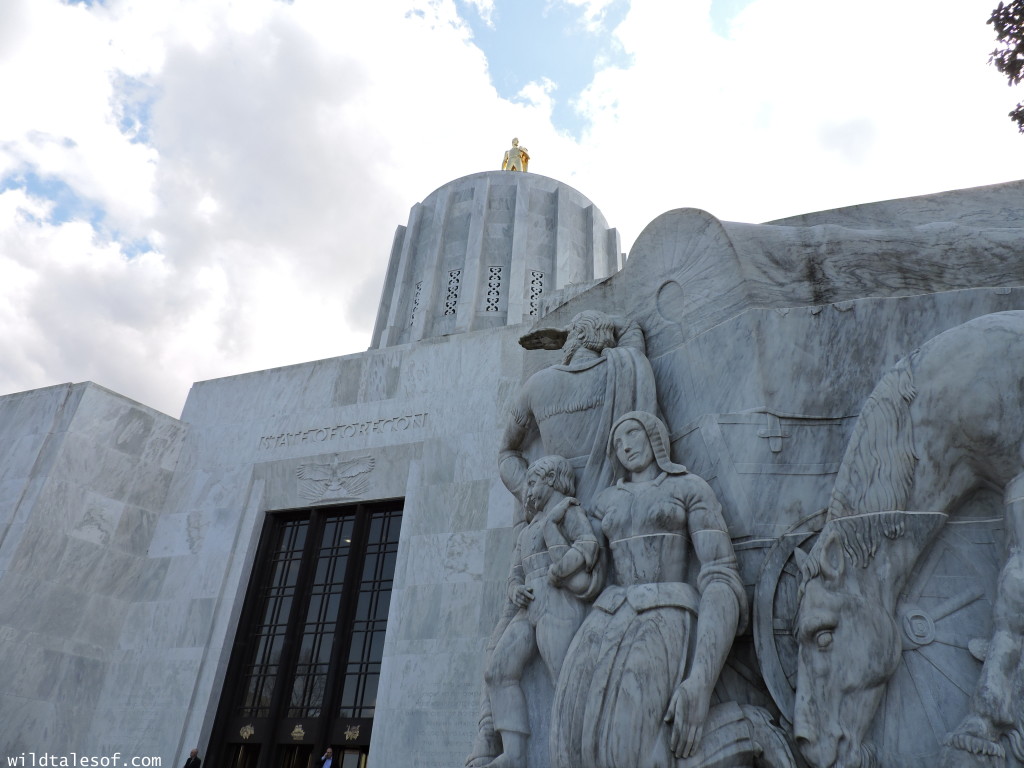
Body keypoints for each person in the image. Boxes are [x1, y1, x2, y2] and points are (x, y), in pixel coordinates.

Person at [549, 411, 748, 768]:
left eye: (632, 434)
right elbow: (589, 572)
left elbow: (720, 574)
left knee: (631, 742)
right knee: (567, 732)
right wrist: (553, 535)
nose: (625, 446)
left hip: (665, 616)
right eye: (617, 442)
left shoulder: (689, 488)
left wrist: (701, 680)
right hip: (605, 620)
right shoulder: (606, 500)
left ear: (655, 436)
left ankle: (747, 731)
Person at [481, 456, 602, 768]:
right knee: (497, 671)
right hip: (529, 606)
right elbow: (514, 575)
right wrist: (513, 591)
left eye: (533, 482)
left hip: (559, 602)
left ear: (550, 479)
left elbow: (588, 545)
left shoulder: (568, 511)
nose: (529, 490)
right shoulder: (529, 528)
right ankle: (515, 755)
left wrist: (561, 568)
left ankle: (577, 754)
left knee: (564, 677)